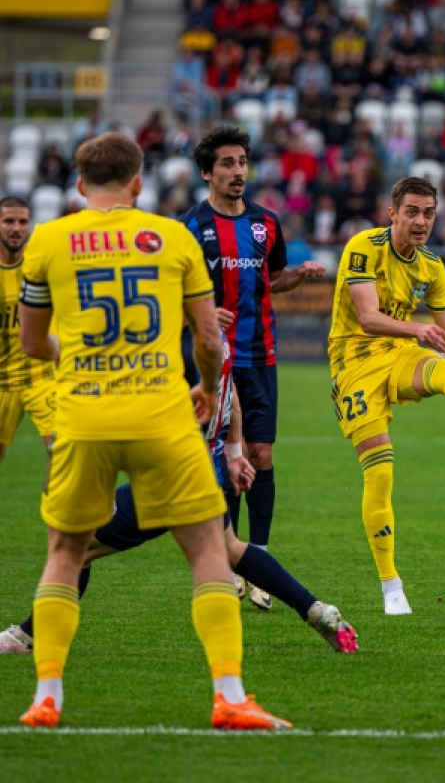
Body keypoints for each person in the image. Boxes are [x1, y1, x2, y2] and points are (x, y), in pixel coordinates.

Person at [17, 133, 287, 730]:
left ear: (80, 186)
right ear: (138, 183)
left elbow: (33, 344)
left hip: (85, 413)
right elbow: (211, 341)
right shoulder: (172, 237)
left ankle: (48, 698)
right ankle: (230, 696)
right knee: (208, 551)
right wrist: (212, 390)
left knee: (65, 553)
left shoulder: (47, 241)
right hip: (163, 412)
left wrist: (82, 352)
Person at [0, 331, 357, 656]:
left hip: (169, 476)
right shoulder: (215, 337)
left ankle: (28, 639)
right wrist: (233, 456)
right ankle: (316, 611)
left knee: (75, 545)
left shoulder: (166, 344)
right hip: (204, 473)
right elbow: (229, 394)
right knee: (231, 550)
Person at [328, 176, 445, 615]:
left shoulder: (432, 266)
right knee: (380, 473)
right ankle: (390, 584)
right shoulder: (363, 246)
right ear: (392, 212)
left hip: (397, 352)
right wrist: (417, 328)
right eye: (412, 212)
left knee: (439, 369)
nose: (421, 221)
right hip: (353, 364)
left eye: (429, 213)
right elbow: (367, 315)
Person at [181, 126, 325, 612]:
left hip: (260, 358)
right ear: (207, 171)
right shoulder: (188, 229)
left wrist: (296, 278)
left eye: (242, 161)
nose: (238, 171)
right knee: (222, 462)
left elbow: (273, 278)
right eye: (227, 163)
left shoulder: (266, 223)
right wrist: (198, 314)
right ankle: (233, 559)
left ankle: (258, 560)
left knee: (260, 455)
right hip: (211, 364)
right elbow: (168, 295)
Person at [0, 197, 56, 468]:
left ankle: (62, 509)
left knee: (65, 456)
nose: (16, 228)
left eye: (22, 221)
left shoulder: (43, 264)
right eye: (8, 221)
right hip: (1, 380)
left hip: (42, 377)